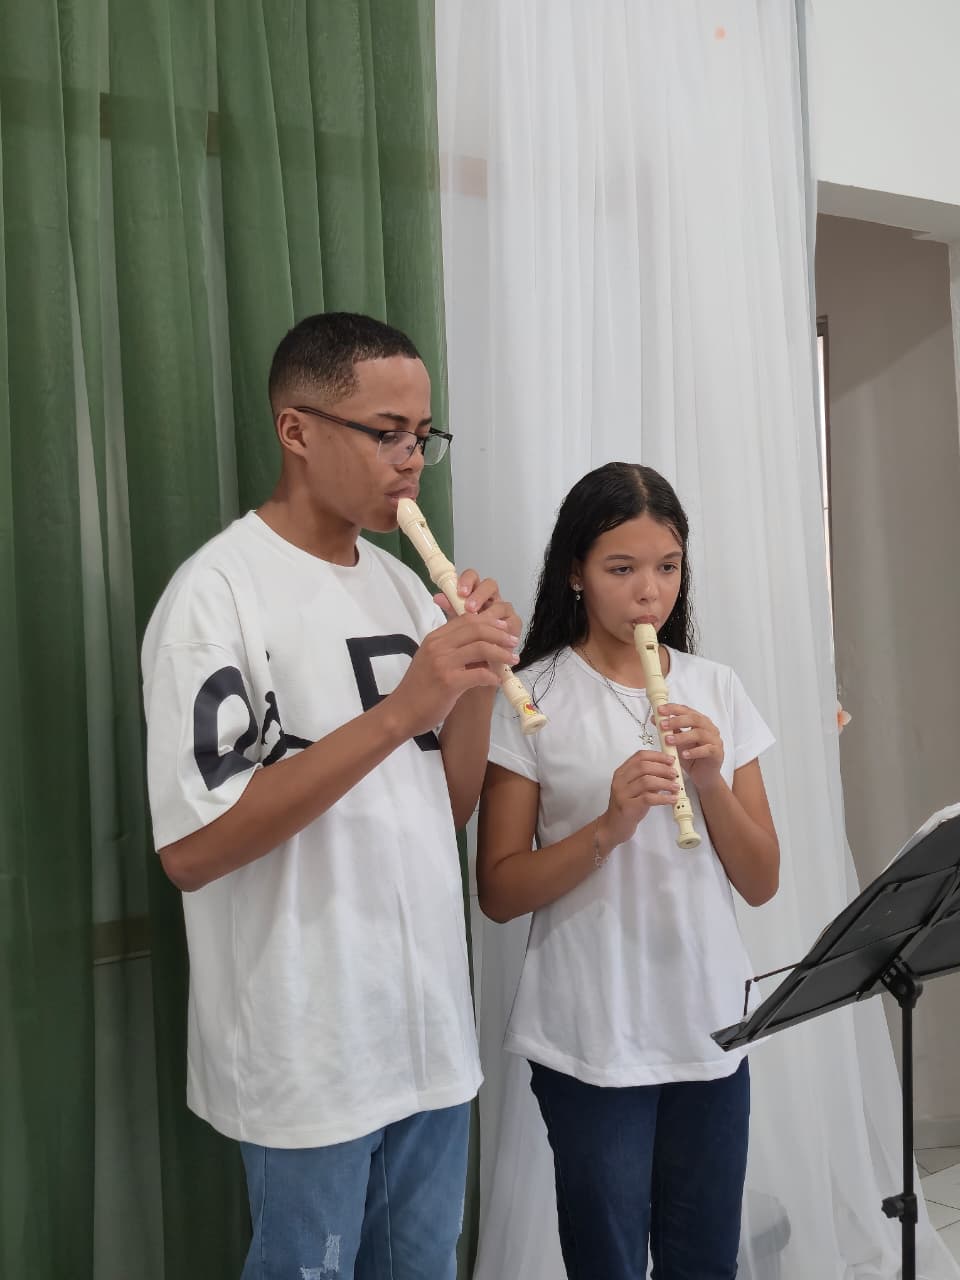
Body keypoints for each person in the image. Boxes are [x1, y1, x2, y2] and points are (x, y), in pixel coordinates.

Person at [141, 312, 522, 1280]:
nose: (411, 460)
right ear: (297, 430)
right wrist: (402, 711)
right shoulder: (217, 594)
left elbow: (441, 813)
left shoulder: (402, 588)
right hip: (306, 1042)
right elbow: (193, 848)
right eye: (387, 433)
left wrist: (476, 685)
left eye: (423, 435)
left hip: (427, 1030)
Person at [477, 462, 780, 1280]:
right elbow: (498, 890)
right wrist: (607, 829)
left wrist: (709, 780)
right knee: (606, 1263)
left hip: (709, 1028)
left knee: (704, 1264)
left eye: (668, 567)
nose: (651, 593)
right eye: (622, 568)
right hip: (590, 1031)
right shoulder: (530, 696)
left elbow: (761, 880)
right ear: (575, 571)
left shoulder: (716, 687)